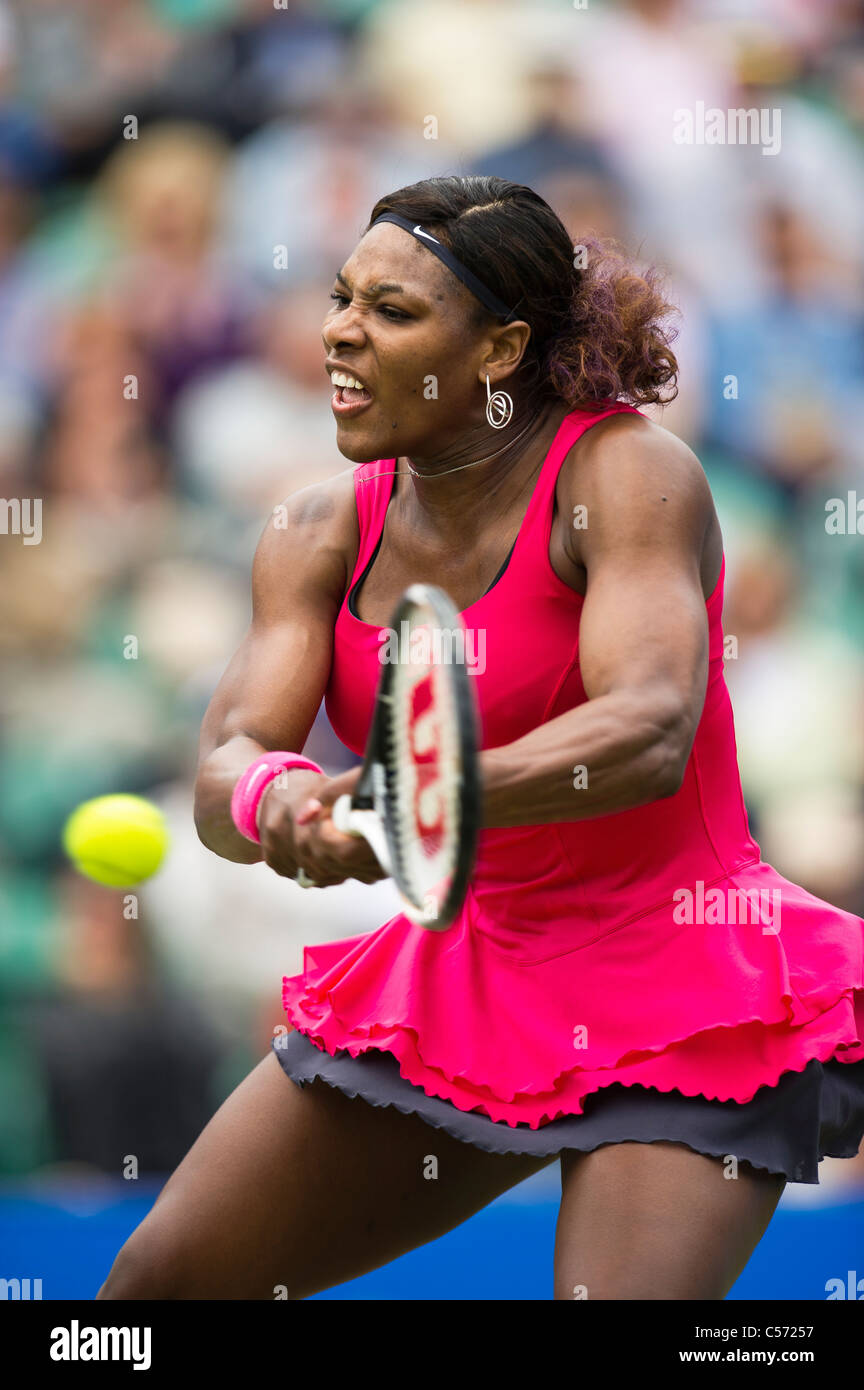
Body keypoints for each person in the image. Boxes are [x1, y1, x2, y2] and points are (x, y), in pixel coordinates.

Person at [97, 175, 864, 1301]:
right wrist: (285, 803)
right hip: (457, 985)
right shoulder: (312, 529)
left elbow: (648, 728)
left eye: (394, 312)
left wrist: (411, 798)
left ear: (500, 352)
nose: (340, 332)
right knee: (146, 1302)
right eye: (341, 297)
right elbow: (227, 765)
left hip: (690, 983)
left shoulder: (628, 475)